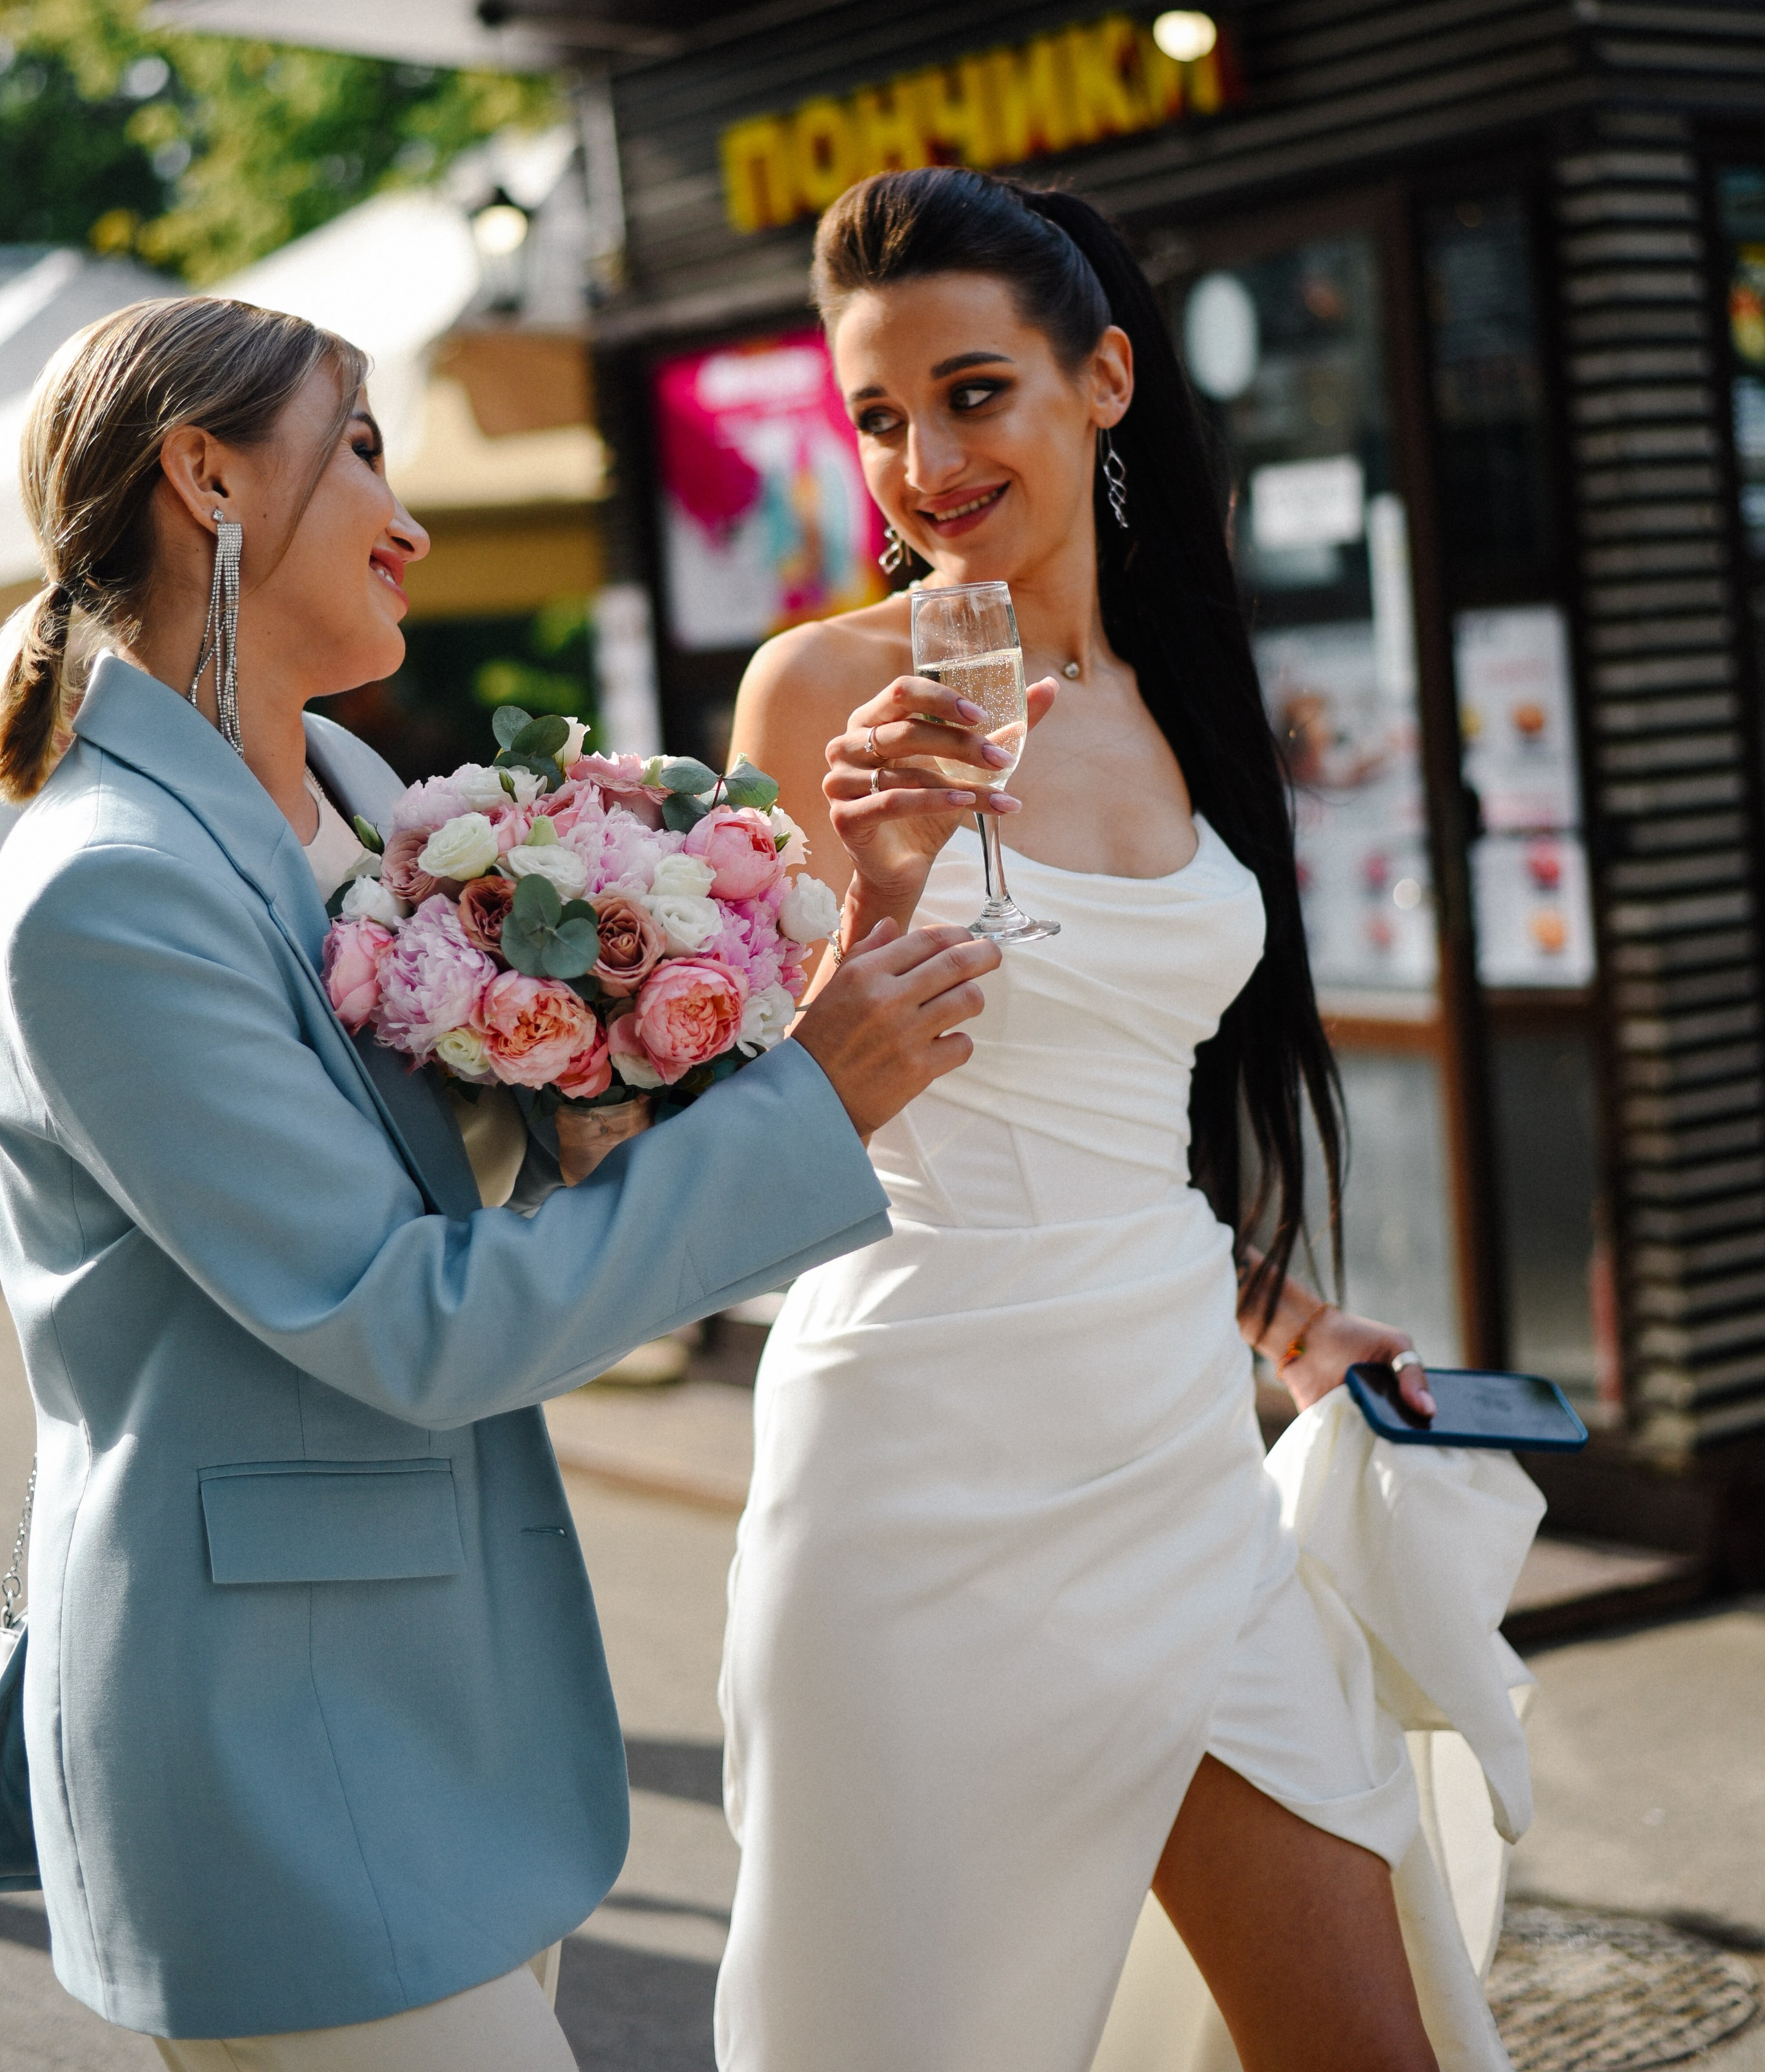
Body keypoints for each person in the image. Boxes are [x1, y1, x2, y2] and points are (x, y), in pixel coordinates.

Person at [0, 293, 998, 2069]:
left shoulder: (361, 792)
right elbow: (401, 1316)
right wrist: (811, 1112)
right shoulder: (105, 887)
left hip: (449, 1692)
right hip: (272, 1736)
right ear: (206, 475)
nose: (411, 515)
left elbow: (484, 1167)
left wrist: (668, 1056)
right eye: (362, 445)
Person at [716, 170, 1519, 2072]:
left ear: (1105, 379)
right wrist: (887, 892)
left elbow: (1113, 1112)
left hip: (1171, 1456)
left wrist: (1285, 1319)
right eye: (880, 418)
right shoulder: (821, 689)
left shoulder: (1185, 700)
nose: (922, 459)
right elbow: (738, 1132)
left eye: (974, 391)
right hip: (908, 1463)